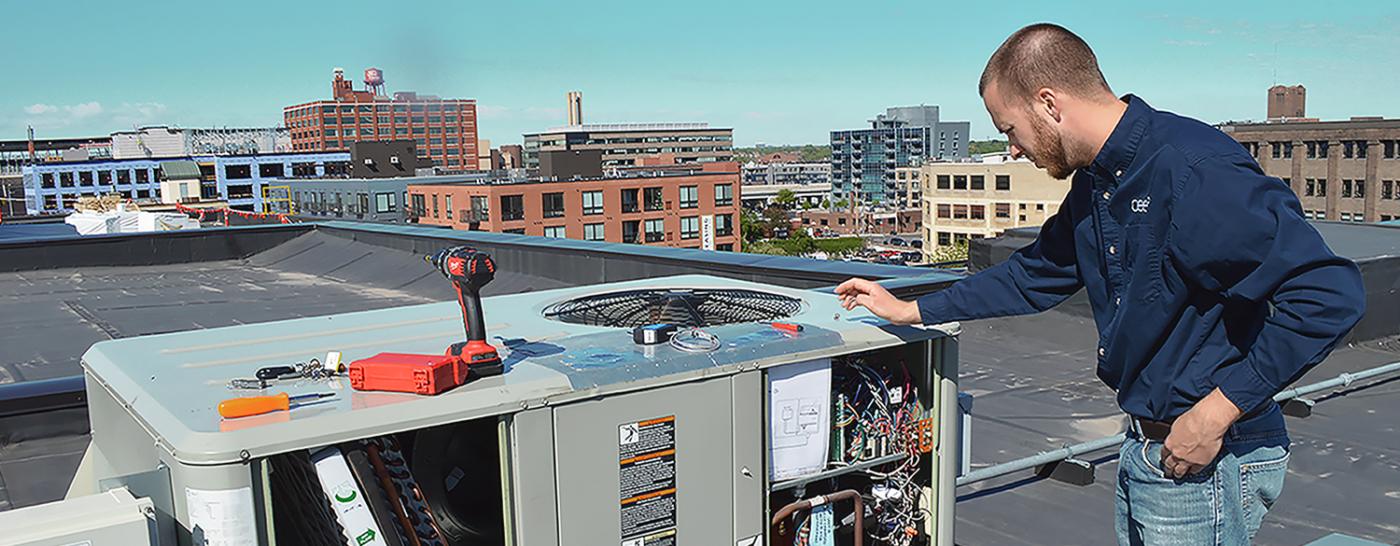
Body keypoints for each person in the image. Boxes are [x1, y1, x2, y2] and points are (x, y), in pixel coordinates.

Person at [835, 23, 1365, 545]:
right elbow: (1035, 273)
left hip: (1208, 456)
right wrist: (913, 309)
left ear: (1048, 102)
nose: (1014, 150)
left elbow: (1328, 296)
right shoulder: (1097, 179)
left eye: (1009, 130)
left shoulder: (1191, 170)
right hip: (1151, 448)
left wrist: (1216, 411)